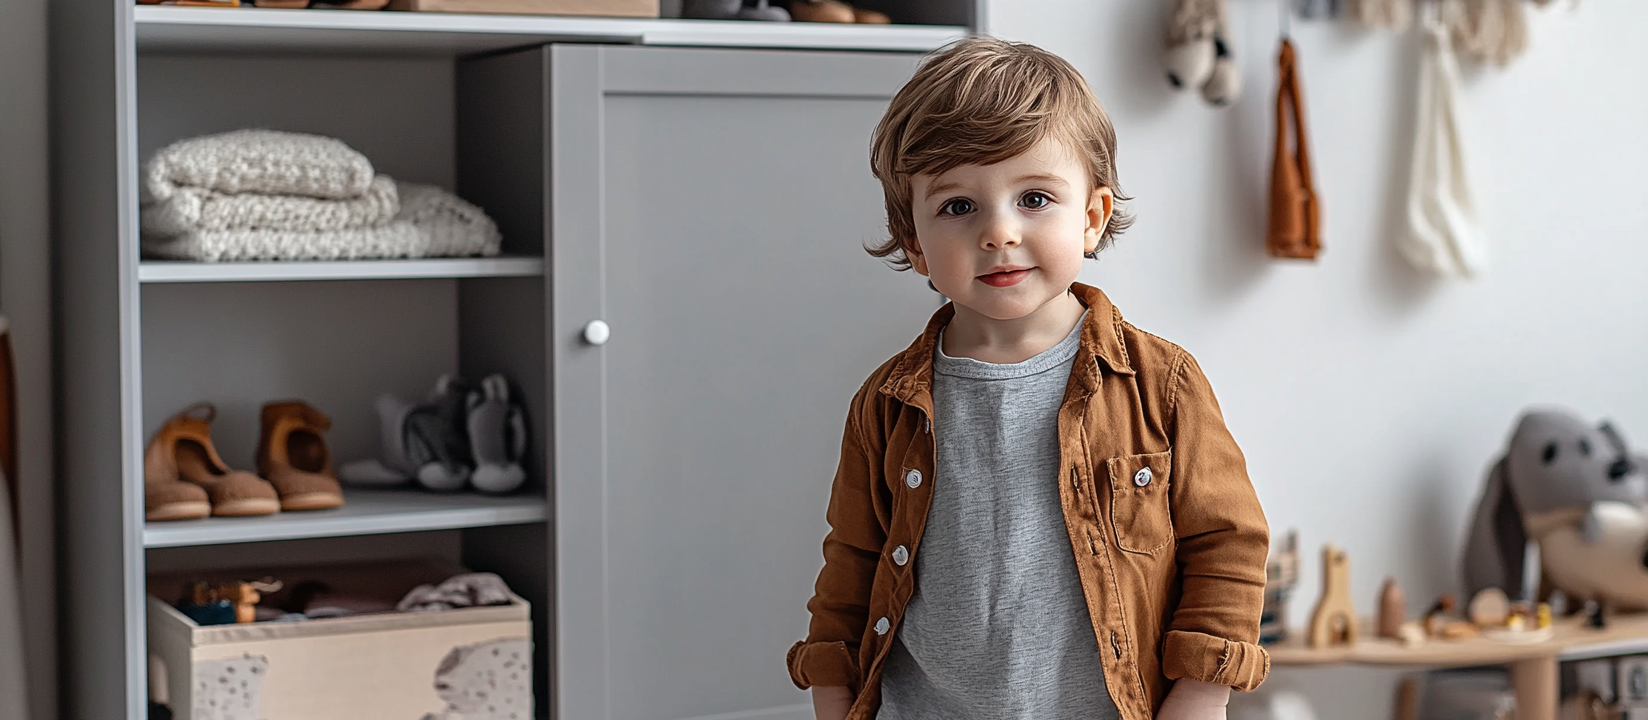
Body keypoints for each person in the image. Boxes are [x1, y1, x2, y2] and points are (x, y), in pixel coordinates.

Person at [785, 37, 1270, 720]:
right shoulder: (886, 404)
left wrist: (1200, 690)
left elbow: (1228, 544)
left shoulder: (1162, 385)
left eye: (1034, 197)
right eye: (959, 207)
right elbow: (851, 562)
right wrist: (833, 694)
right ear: (915, 241)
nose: (999, 232)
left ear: (1093, 218)